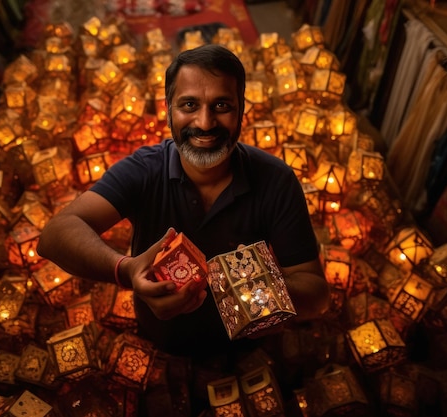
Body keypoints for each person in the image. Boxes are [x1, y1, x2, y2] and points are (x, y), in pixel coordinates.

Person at [37, 43, 330, 412]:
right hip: (159, 347)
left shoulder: (276, 180)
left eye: (221, 106)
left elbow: (316, 293)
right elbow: (55, 234)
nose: (205, 123)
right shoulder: (145, 169)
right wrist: (127, 270)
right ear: (168, 111)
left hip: (248, 355)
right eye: (189, 105)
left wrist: (262, 298)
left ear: (242, 111)